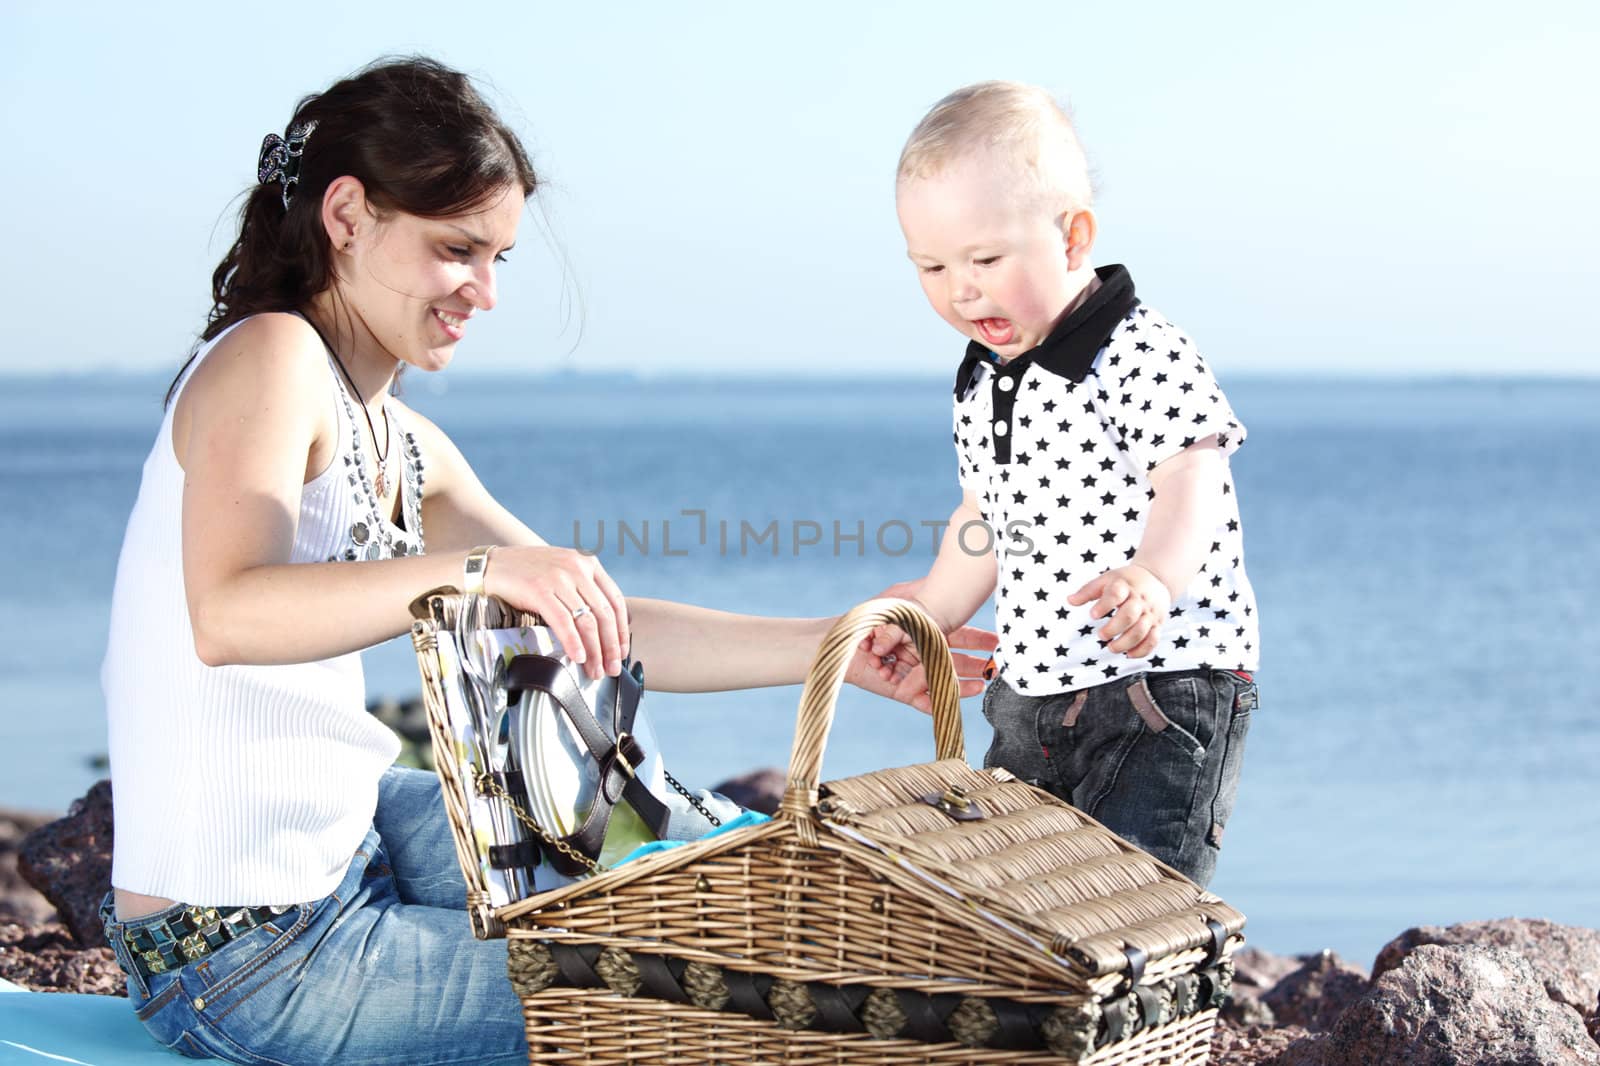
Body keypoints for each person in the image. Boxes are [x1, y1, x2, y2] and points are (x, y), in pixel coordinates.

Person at [98, 57, 993, 1066]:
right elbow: (229, 612)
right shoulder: (270, 356)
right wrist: (478, 577)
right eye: (455, 250)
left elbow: (597, 617)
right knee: (685, 1009)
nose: (482, 290)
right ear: (345, 216)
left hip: (360, 835)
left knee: (690, 883)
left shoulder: (398, 440)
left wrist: (836, 643)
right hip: (245, 952)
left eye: (500, 259)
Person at [864, 81, 1259, 888]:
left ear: (1073, 238)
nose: (959, 289)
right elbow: (988, 514)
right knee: (1022, 898)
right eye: (930, 266)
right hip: (1032, 689)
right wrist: (937, 609)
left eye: (984, 260)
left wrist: (1154, 576)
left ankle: (1152, 1013)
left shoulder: (1139, 351)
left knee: (1141, 896)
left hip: (1159, 684)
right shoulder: (981, 379)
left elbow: (1193, 475)